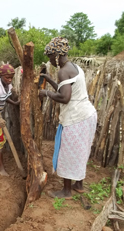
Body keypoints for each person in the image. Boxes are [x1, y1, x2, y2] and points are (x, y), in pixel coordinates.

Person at [39, 37, 97, 199]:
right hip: (87, 115)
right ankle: (78, 184)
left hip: (77, 118)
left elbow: (64, 98)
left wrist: (46, 93)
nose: (50, 60)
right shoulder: (74, 67)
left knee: (68, 151)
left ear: (57, 55)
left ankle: (66, 191)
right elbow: (64, 89)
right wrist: (49, 79)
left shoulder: (64, 71)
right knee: (81, 150)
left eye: (51, 57)